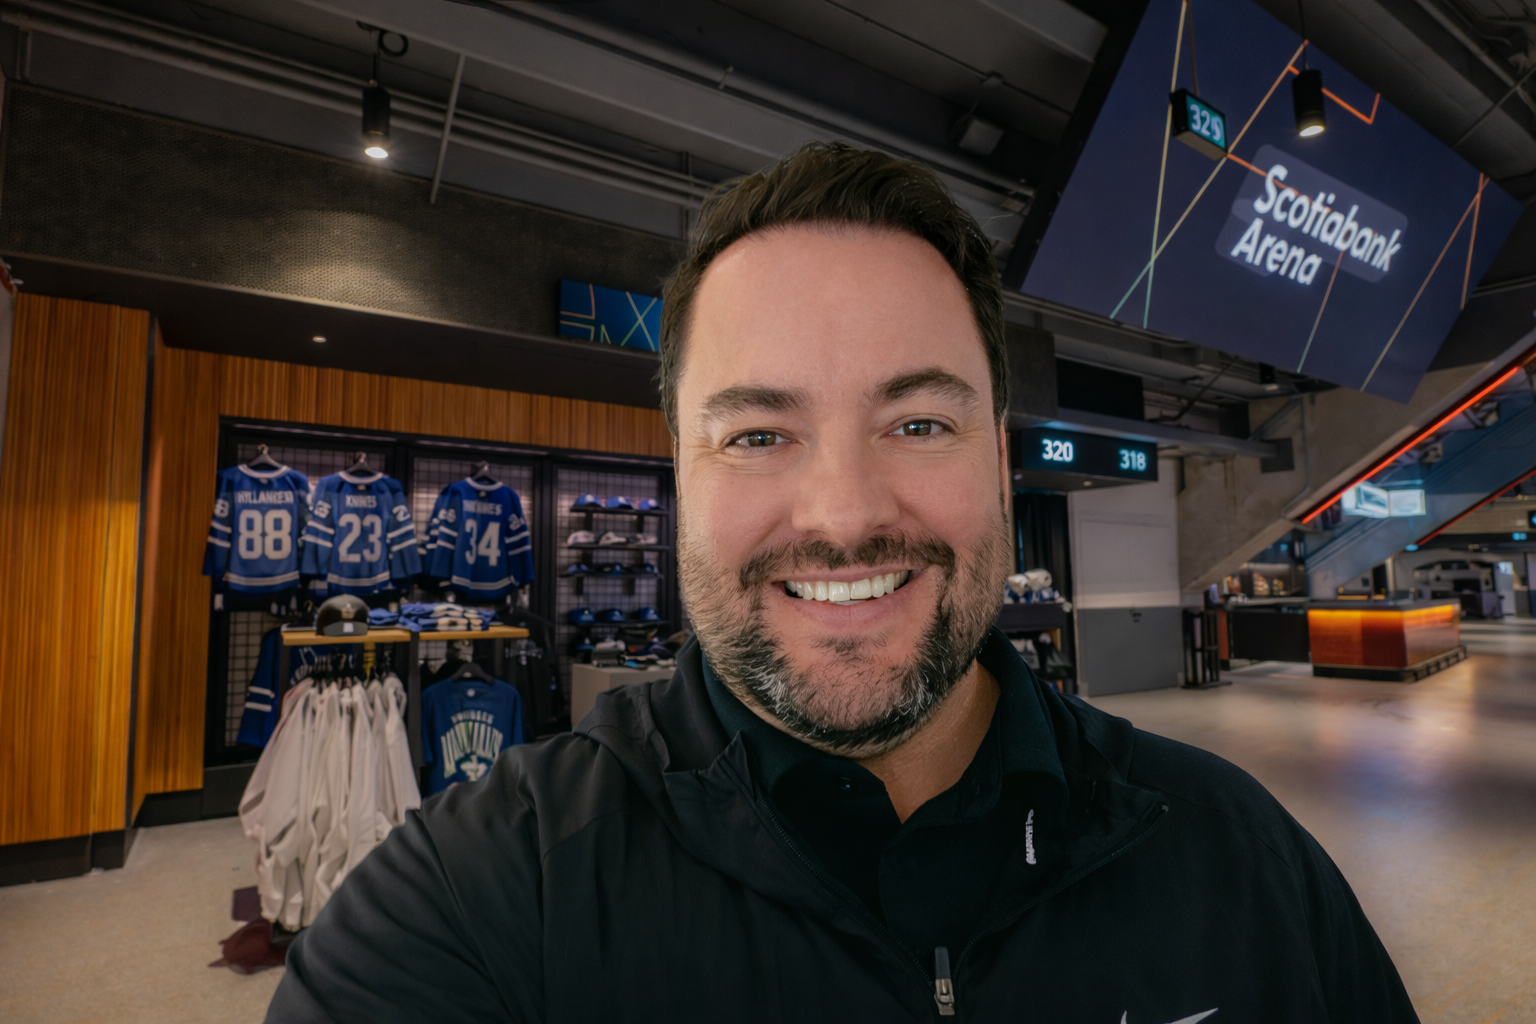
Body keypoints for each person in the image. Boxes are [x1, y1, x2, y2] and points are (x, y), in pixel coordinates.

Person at [267, 143, 1417, 1023]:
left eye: (917, 421)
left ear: (999, 456)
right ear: (681, 468)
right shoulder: (468, 908)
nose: (846, 514)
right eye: (760, 434)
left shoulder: (1238, 859)